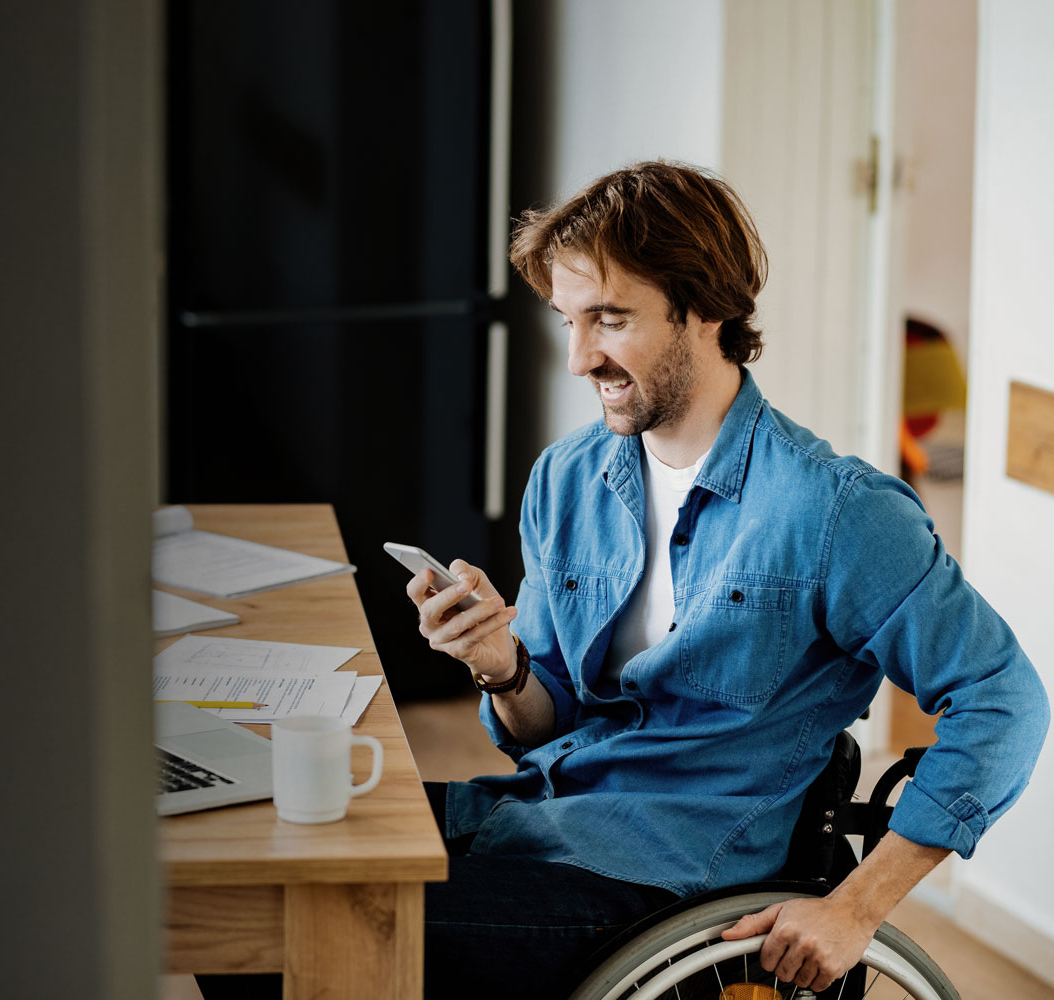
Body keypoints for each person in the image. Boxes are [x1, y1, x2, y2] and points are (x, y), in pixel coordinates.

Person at [408, 160, 1048, 997]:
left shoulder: (835, 512)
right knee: (269, 865)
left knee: (325, 921)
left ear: (705, 307)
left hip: (661, 886)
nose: (578, 359)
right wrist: (499, 663)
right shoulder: (566, 479)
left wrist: (856, 908)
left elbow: (1004, 700)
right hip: (535, 814)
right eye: (568, 321)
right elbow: (549, 724)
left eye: (609, 320)